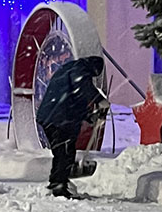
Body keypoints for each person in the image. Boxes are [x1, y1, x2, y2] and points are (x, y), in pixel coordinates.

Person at [35, 55, 108, 198]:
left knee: (64, 151)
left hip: (53, 116)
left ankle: (59, 182)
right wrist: (98, 100)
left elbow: (75, 99)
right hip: (57, 118)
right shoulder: (79, 69)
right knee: (64, 152)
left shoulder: (68, 70)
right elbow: (82, 85)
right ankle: (58, 185)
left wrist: (89, 116)